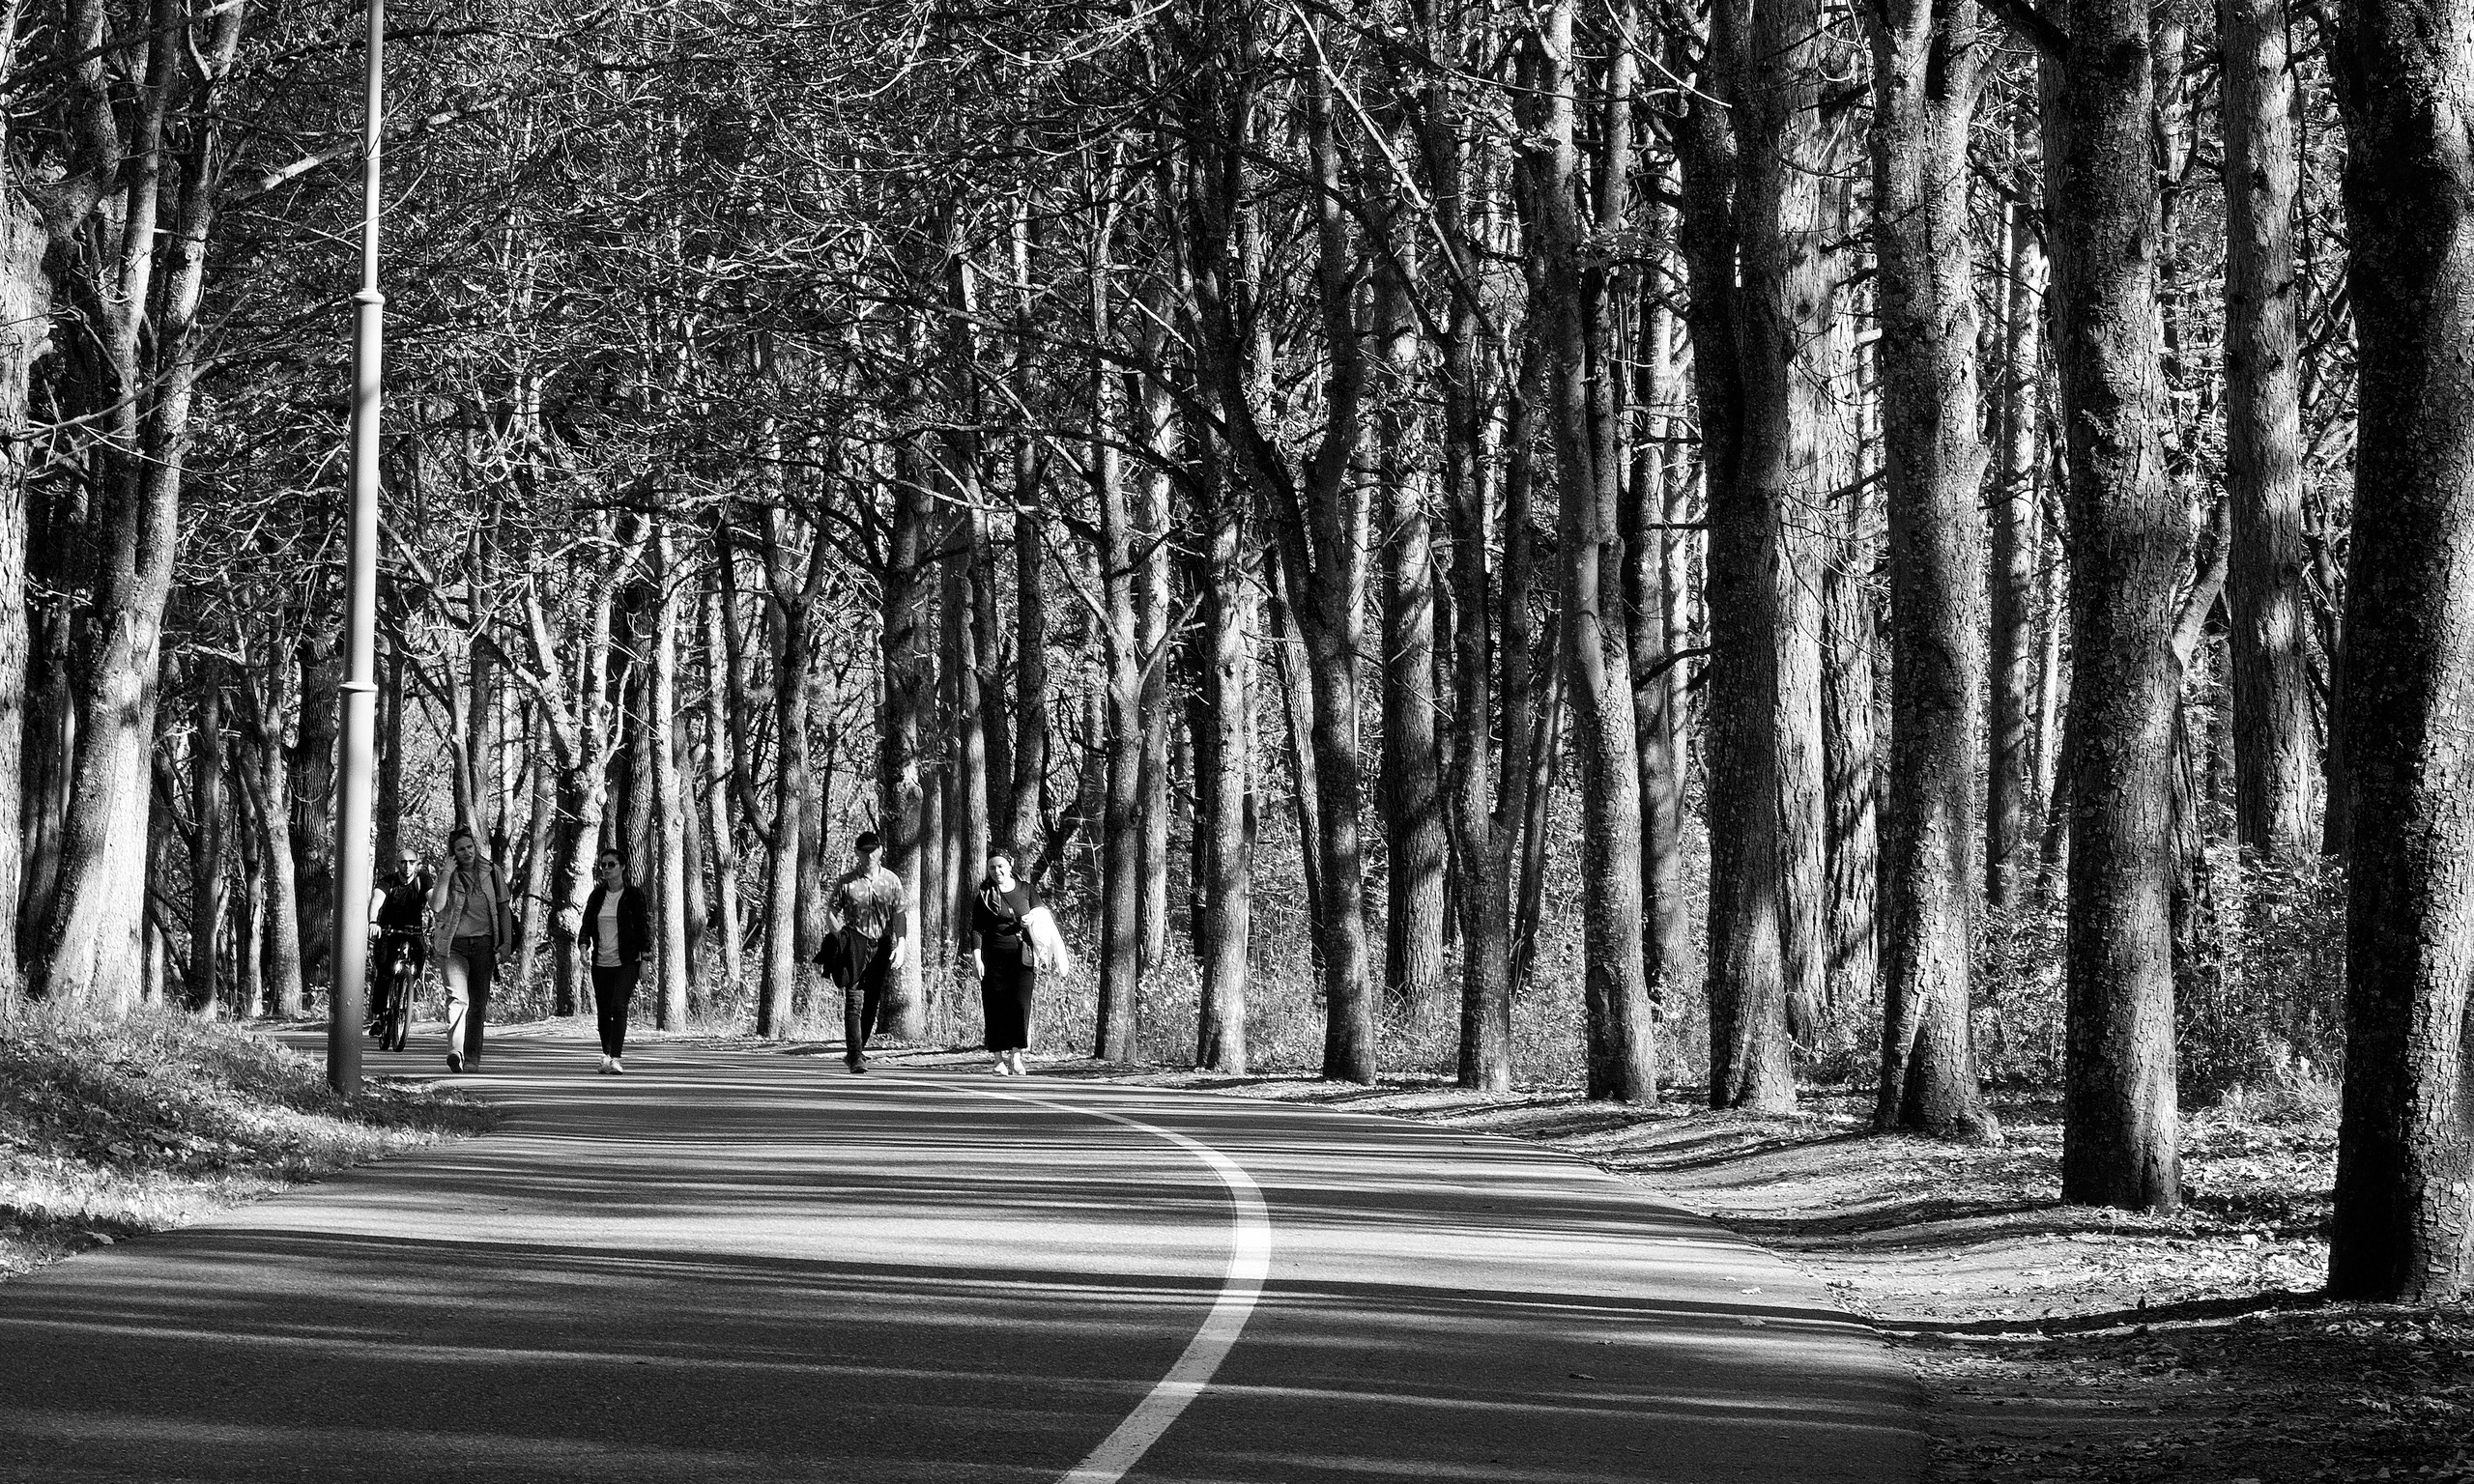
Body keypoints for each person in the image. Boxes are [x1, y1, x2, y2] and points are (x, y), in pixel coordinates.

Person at [971, 849, 1071, 1076]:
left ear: (1010, 865)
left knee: (1020, 1005)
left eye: (1000, 866)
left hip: (1023, 956)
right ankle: (998, 1058)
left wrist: (1031, 919)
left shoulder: (1026, 889)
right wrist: (977, 957)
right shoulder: (984, 894)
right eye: (992, 867)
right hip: (993, 956)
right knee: (995, 1007)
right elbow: (976, 928)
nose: (997, 871)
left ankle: (1016, 1055)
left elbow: (1042, 914)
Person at [819, 830, 906, 1073]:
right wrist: (841, 938)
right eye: (864, 851)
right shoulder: (846, 881)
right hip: (855, 943)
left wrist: (901, 944)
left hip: (881, 944)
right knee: (854, 999)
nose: (869, 856)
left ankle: (857, 1050)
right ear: (857, 853)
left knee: (872, 1001)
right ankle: (855, 1055)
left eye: (873, 851)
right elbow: (830, 913)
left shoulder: (892, 881)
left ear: (880, 851)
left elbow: (899, 914)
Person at [426, 825, 511, 1074]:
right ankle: (455, 1051)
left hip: (484, 945)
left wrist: (505, 943)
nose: (467, 853)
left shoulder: (492, 872)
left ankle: (473, 1056)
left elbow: (504, 908)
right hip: (455, 946)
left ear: (476, 847)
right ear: (452, 853)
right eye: (460, 849)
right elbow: (438, 906)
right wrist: (445, 874)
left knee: (478, 1004)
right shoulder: (448, 874)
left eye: (469, 847)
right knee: (457, 998)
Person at [578, 849, 650, 1074]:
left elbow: (642, 929)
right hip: (601, 962)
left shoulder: (633, 896)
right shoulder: (597, 896)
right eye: (603, 865)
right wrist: (583, 948)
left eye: (611, 864)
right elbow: (587, 924)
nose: (606, 869)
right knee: (603, 1009)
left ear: (622, 867)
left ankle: (616, 1057)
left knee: (619, 1005)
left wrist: (646, 960)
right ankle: (606, 1055)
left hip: (627, 961)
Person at [366, 846, 428, 1036]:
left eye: (411, 862)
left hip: (414, 931)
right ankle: (378, 1017)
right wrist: (374, 922)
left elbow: (433, 899)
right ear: (397, 864)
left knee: (420, 956)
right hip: (389, 931)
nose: (407, 866)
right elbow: (376, 901)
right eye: (403, 862)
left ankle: (409, 986)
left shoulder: (422, 880)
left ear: (417, 864)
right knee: (384, 973)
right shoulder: (388, 881)